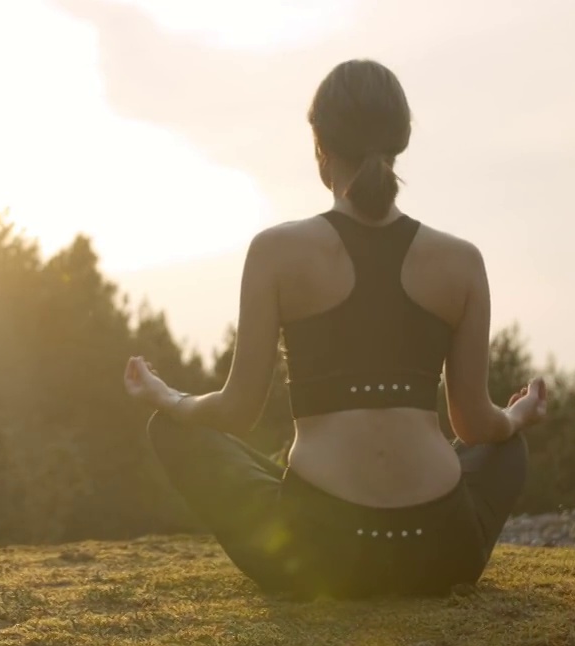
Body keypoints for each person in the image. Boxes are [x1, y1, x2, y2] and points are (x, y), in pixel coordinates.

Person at [122, 59, 549, 600]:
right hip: (440, 551)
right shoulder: (461, 261)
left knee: (171, 427)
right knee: (509, 448)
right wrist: (518, 416)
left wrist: (169, 397)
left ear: (321, 147)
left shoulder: (275, 252)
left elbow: (235, 412)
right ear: (400, 143)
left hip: (318, 553)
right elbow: (474, 426)